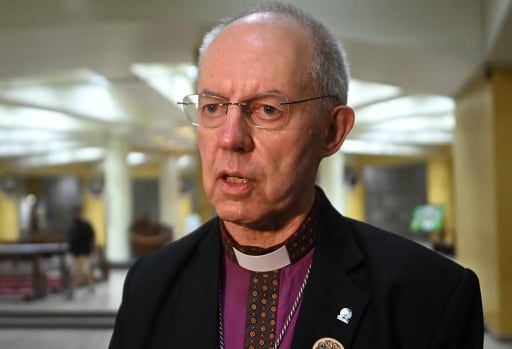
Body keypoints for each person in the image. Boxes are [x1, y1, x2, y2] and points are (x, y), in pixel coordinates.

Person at [109, 3, 483, 349]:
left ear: (332, 131)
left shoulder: (430, 295)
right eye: (212, 107)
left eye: (268, 109)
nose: (230, 138)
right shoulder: (150, 284)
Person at [68, 205, 96, 292]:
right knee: (82, 272)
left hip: (84, 253)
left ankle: (71, 290)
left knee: (80, 272)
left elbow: (92, 238)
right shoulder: (73, 225)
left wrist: (91, 250)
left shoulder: (86, 225)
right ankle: (90, 287)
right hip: (76, 253)